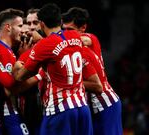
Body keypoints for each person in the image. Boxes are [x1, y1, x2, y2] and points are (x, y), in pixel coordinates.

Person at [14, 3, 93, 135]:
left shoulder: (44, 45)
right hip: (82, 108)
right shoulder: (74, 35)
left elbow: (20, 76)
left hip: (60, 109)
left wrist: (21, 57)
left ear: (42, 24)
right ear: (61, 21)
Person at [62, 7, 122, 135]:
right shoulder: (71, 46)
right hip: (92, 107)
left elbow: (83, 40)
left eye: (70, 30)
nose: (66, 33)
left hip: (107, 104)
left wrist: (48, 41)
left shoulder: (90, 39)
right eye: (64, 29)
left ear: (83, 28)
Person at [0, 8, 30, 135]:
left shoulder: (7, 50)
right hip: (5, 112)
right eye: (20, 26)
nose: (23, 30)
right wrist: (40, 75)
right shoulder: (1, 51)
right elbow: (9, 91)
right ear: (8, 27)